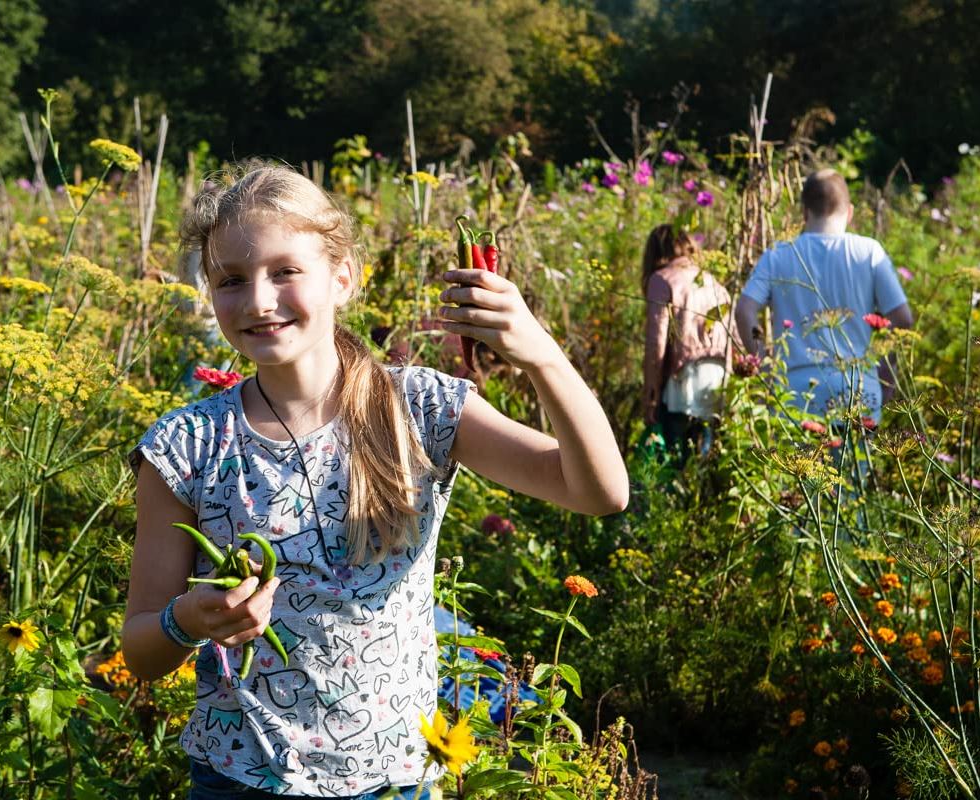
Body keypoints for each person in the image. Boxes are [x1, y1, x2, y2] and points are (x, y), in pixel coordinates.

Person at [121, 163, 628, 799]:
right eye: (230, 280)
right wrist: (187, 620)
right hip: (242, 781)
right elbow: (140, 649)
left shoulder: (420, 408)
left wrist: (542, 356)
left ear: (343, 276)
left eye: (285, 271)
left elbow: (599, 492)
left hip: (394, 781)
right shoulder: (187, 445)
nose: (257, 300)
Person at [734, 168, 914, 423]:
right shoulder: (868, 252)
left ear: (805, 212)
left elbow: (744, 311)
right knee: (855, 462)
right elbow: (903, 318)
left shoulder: (778, 254)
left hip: (795, 389)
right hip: (857, 385)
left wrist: (764, 365)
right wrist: (886, 372)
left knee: (797, 462)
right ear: (849, 212)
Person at [641, 224, 735, 461]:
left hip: (683, 380)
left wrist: (651, 390)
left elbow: (656, 341)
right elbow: (732, 335)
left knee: (676, 456)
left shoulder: (661, 280)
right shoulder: (713, 281)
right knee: (704, 455)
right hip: (718, 375)